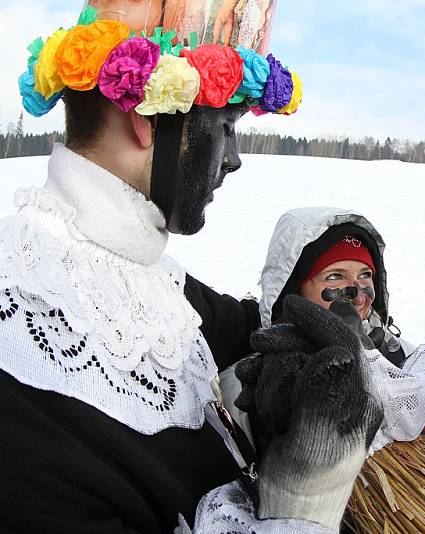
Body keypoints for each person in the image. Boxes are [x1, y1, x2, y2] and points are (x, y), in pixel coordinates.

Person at [2, 2, 380, 533]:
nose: (233, 159)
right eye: (225, 124)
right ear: (145, 118)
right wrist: (305, 500)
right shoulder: (21, 373)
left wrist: (280, 392)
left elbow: (255, 334)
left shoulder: (152, 280)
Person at [234, 206, 425, 461]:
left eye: (365, 275)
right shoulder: (257, 378)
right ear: (294, 289)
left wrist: (420, 443)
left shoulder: (408, 360)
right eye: (334, 277)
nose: (356, 294)